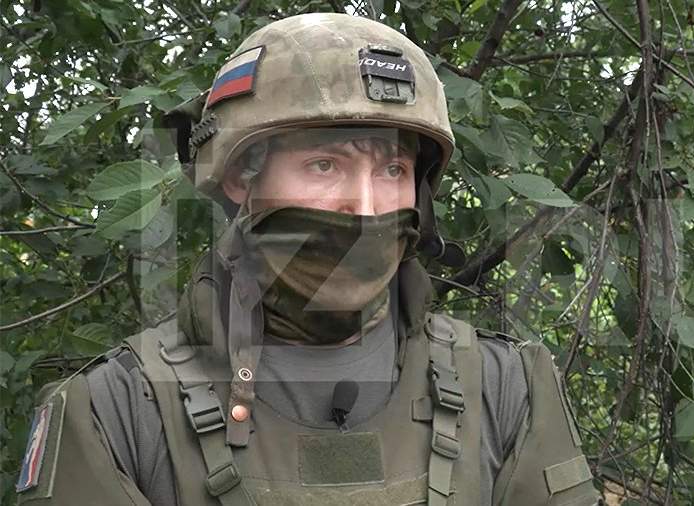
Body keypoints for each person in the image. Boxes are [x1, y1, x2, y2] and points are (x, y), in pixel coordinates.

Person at [15, 13, 599, 506]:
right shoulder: (117, 411)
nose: (364, 207)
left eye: (392, 169)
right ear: (241, 179)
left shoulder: (505, 388)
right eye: (325, 165)